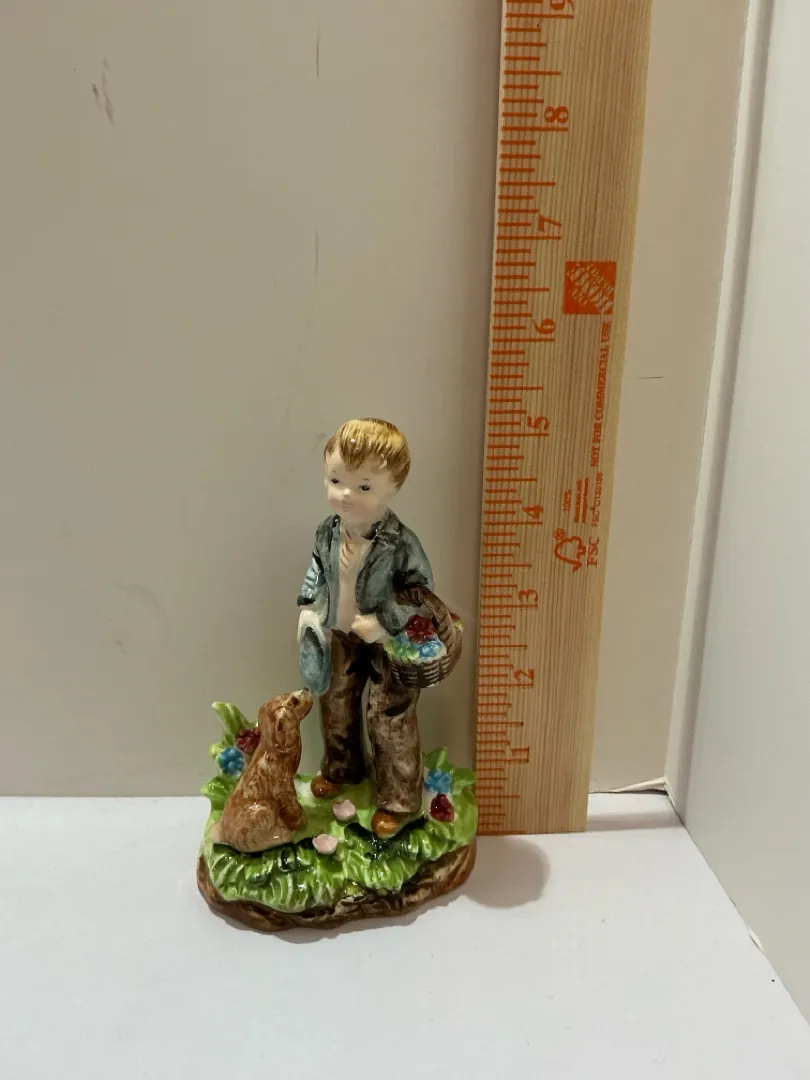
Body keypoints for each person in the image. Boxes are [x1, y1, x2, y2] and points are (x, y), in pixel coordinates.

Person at [297, 418, 433, 838]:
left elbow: (420, 593)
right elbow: (317, 570)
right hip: (341, 635)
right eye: (336, 480)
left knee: (387, 716)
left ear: (393, 488)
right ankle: (342, 768)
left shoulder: (401, 543)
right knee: (336, 702)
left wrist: (384, 621)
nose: (345, 494)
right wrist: (309, 606)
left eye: (364, 486)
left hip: (387, 645)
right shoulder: (328, 532)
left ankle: (398, 798)